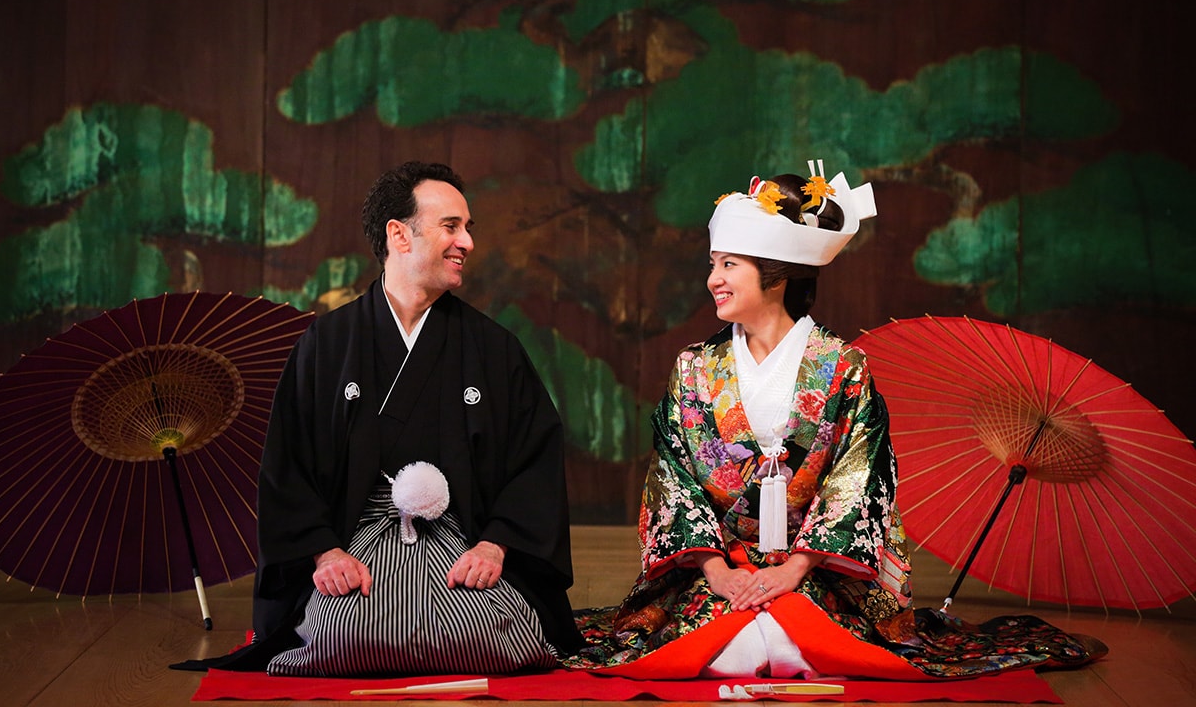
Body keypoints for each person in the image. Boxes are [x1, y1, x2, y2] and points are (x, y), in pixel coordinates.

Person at [561, 162, 1105, 680]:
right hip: (720, 564)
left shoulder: (843, 368)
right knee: (727, 642)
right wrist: (718, 570)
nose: (713, 280)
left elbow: (860, 481)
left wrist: (792, 569)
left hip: (815, 567)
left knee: (787, 637)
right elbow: (673, 478)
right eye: (713, 264)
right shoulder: (695, 369)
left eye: (729, 264)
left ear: (775, 273)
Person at [202, 161, 583, 675]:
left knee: (480, 633)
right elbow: (286, 467)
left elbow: (535, 459)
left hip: (462, 550)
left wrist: (496, 546)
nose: (467, 242)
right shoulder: (327, 344)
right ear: (399, 235)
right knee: (345, 632)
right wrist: (324, 555)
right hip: (357, 551)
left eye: (468, 228)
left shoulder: (493, 348)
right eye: (451, 227)